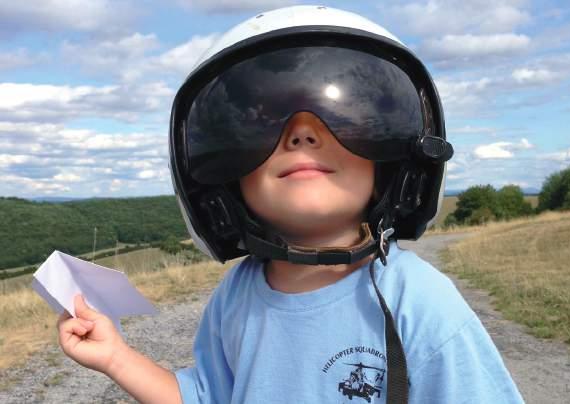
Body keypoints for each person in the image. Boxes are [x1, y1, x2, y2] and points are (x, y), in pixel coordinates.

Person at [57, 5, 524, 403]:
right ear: (225, 181)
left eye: (349, 118)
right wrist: (116, 356)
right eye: (258, 124)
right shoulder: (236, 295)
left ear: (393, 167)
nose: (302, 133)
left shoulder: (417, 299)